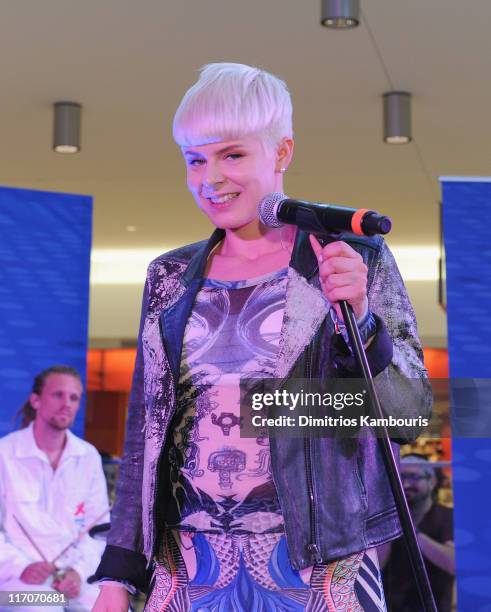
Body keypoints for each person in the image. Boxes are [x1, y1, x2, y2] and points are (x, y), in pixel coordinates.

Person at [93, 62, 432, 611]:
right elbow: (144, 437)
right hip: (188, 567)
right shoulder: (168, 277)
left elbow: (410, 413)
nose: (210, 178)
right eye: (195, 160)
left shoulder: (350, 257)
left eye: (232, 155)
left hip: (322, 567)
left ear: (281, 153)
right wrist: (118, 576)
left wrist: (361, 324)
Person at [0, 365, 109, 611]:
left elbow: (98, 530)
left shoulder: (87, 456)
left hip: (73, 579)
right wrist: (21, 567)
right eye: (58, 395)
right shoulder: (4, 454)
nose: (67, 403)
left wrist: (79, 572)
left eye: (74, 397)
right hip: (13, 584)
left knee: (110, 606)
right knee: (44, 607)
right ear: (36, 400)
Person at [380, 455, 455, 611]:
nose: (406, 484)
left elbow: (454, 563)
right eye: (401, 477)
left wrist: (413, 531)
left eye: (414, 477)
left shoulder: (448, 516)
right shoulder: (387, 518)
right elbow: (378, 565)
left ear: (432, 482)